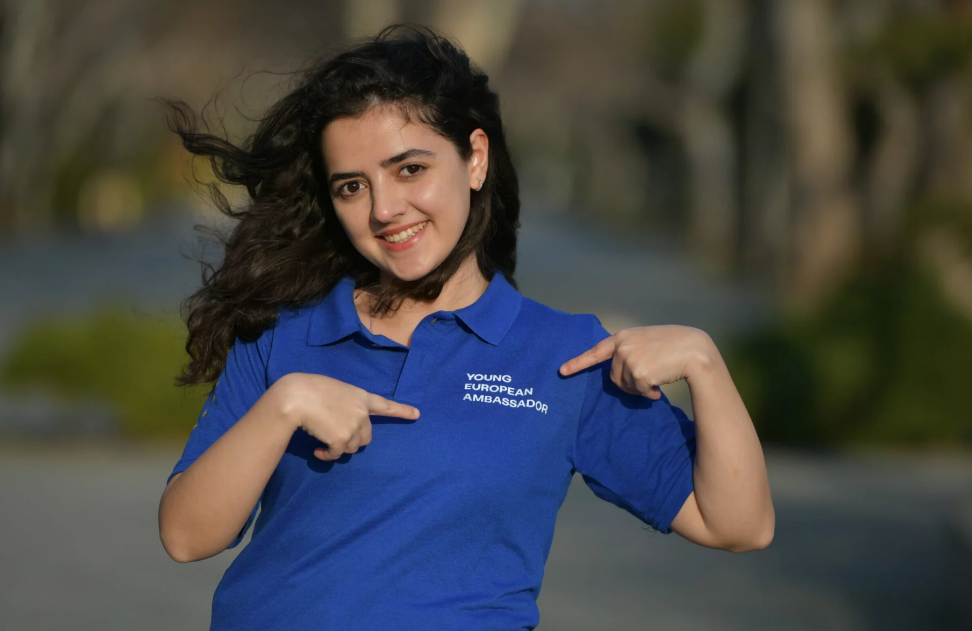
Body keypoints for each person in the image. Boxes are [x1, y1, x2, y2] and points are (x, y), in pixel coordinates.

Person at [157, 23, 775, 630]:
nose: (383, 209)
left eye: (409, 169)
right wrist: (284, 405)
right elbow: (186, 536)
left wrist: (703, 362)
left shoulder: (566, 357)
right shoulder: (283, 334)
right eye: (352, 186)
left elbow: (738, 524)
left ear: (474, 159)